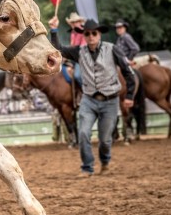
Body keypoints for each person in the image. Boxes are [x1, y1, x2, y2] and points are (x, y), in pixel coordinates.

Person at [48, 16, 135, 177]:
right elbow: (58, 49)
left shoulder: (112, 49)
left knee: (105, 139)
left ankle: (105, 161)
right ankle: (87, 167)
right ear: (84, 35)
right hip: (89, 100)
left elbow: (128, 73)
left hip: (110, 100)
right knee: (83, 133)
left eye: (94, 33)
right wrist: (54, 30)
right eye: (87, 34)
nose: (91, 37)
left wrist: (129, 95)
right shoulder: (79, 51)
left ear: (99, 34)